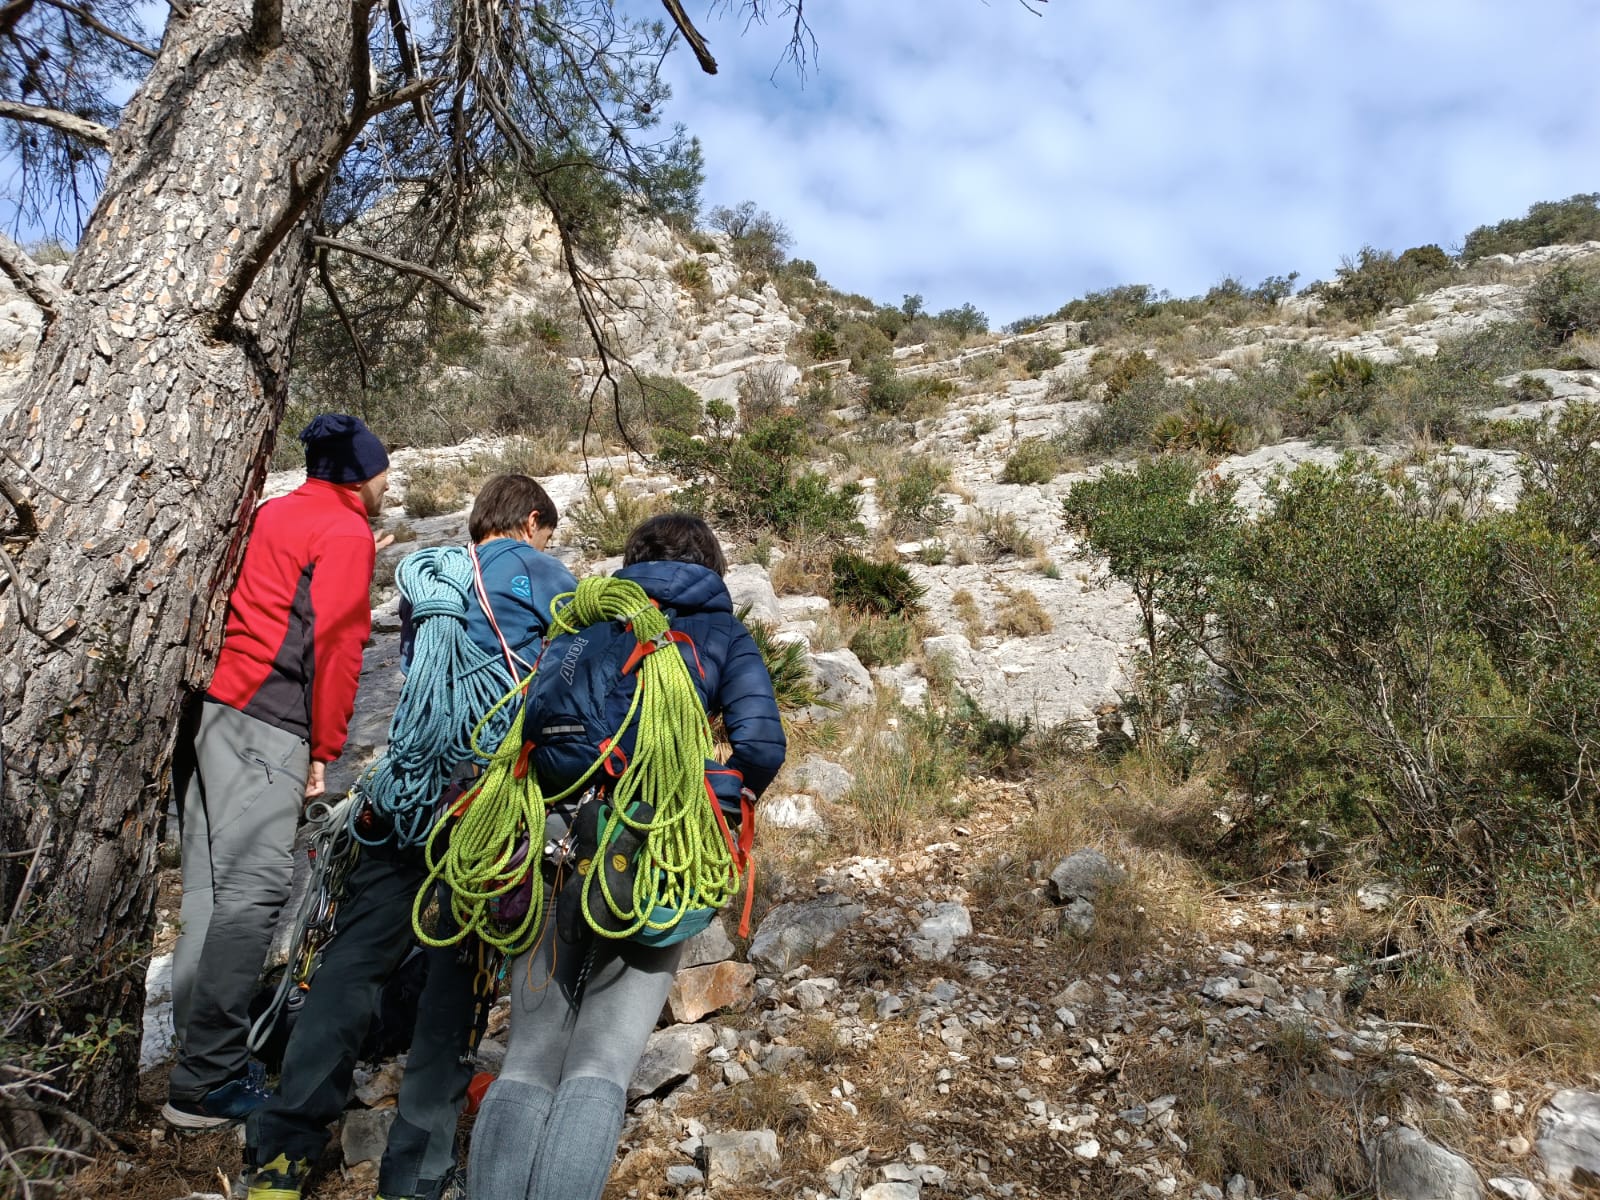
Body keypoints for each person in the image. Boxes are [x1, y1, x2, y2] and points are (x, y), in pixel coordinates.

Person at [244, 475, 578, 1200]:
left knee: (353, 965)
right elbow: (564, 684)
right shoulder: (543, 573)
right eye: (546, 532)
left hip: (403, 795)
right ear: (529, 522)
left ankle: (283, 1151)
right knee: (455, 985)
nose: (547, 544)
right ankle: (414, 1176)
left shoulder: (436, 582)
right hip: (478, 811)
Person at [469, 513, 786, 1200]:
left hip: (544, 846)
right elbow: (761, 745)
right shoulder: (719, 632)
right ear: (712, 568)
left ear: (633, 561)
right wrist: (705, 800)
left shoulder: (582, 620)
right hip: (644, 856)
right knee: (602, 1063)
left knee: (526, 1060)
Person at [165, 414, 391, 1130]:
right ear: (362, 475)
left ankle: (194, 1056)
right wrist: (325, 750)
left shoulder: (276, 511)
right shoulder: (347, 532)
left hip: (209, 716)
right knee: (255, 895)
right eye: (384, 472)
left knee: (208, 893)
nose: (389, 483)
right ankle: (207, 1082)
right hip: (270, 722)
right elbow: (339, 646)